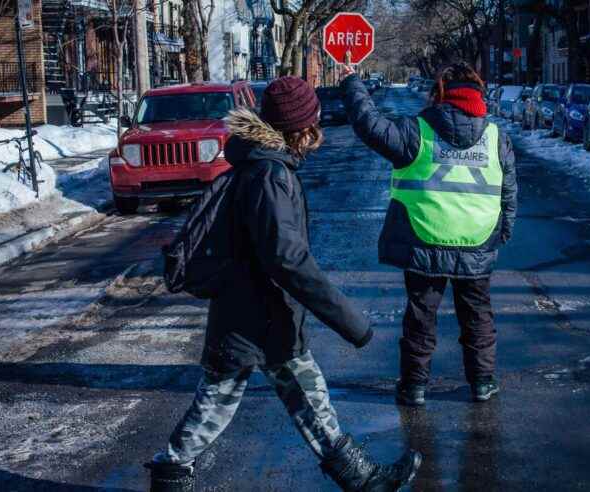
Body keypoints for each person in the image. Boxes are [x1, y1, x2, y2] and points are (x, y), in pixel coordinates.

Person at [145, 76, 421, 492]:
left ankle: (364, 481)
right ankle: (170, 473)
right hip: (257, 313)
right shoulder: (270, 175)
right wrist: (350, 321)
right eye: (315, 123)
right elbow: (287, 259)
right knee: (226, 403)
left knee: (300, 397)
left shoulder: (263, 165)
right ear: (301, 129)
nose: (320, 130)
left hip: (255, 311)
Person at [340, 62, 517, 406]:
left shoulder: (416, 131)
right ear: (479, 95)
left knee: (421, 317)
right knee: (478, 316)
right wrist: (502, 233)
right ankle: (481, 383)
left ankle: (414, 387)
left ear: (441, 94)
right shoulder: (497, 138)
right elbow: (508, 192)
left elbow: (369, 125)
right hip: (477, 241)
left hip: (424, 238)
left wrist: (352, 83)